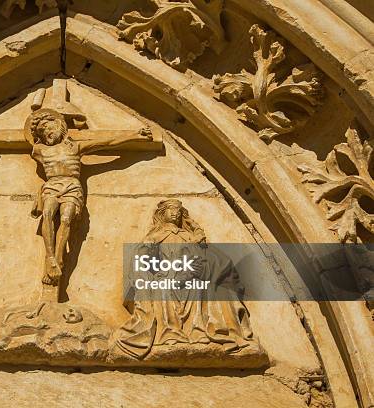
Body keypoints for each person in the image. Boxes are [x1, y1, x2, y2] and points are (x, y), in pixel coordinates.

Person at [115, 199, 255, 358]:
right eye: (171, 210)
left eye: (178, 211)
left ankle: (197, 330)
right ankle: (170, 332)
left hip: (188, 274)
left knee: (195, 287)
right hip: (166, 275)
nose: (175, 213)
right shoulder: (155, 236)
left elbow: (203, 257)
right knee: (164, 289)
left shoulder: (188, 236)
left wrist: (198, 249)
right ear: (163, 214)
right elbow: (142, 258)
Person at [28, 108, 152, 286]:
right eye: (41, 130)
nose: (45, 132)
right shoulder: (38, 150)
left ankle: (59, 257)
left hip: (71, 186)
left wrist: (135, 135)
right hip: (52, 186)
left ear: (58, 125)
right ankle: (50, 257)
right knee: (47, 214)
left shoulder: (75, 147)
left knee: (66, 219)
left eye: (47, 126)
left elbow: (107, 142)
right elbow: (5, 137)